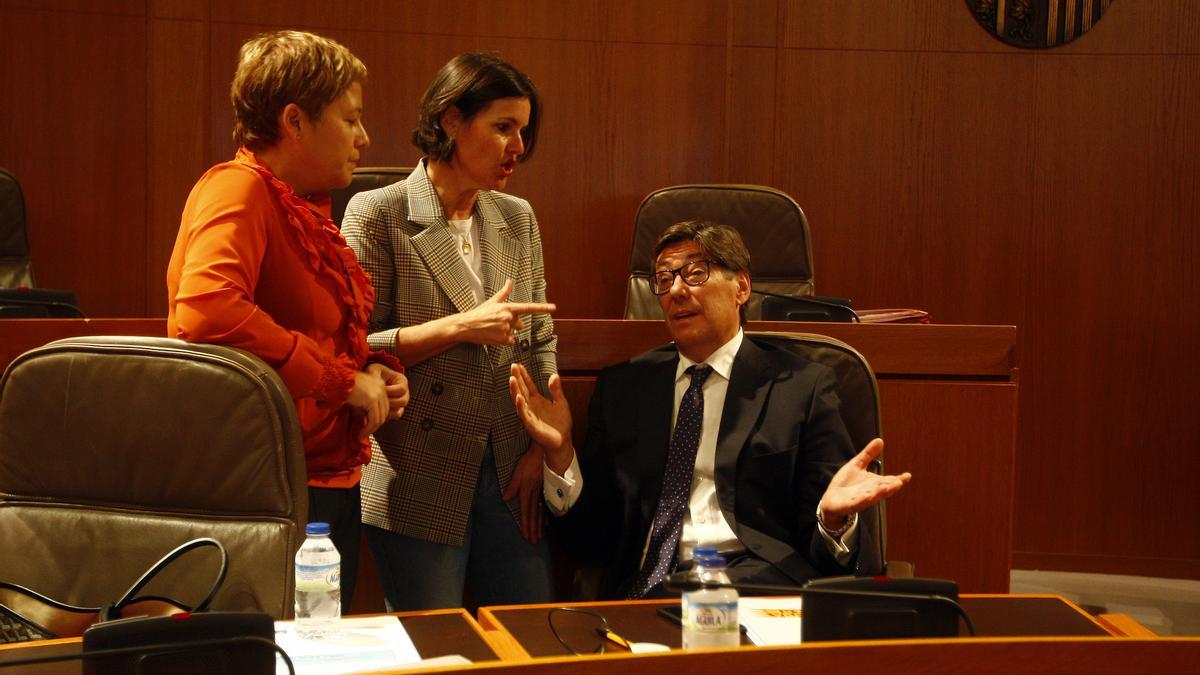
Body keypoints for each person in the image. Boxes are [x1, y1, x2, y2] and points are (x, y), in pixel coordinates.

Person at [510, 220, 912, 598]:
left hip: (758, 588)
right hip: (648, 590)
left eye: (696, 272)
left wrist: (832, 519)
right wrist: (560, 453)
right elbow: (590, 542)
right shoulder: (623, 388)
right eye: (665, 279)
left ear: (741, 287)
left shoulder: (801, 387)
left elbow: (823, 556)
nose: (677, 290)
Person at [166, 30, 408, 607]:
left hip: (316, 482)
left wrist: (371, 368)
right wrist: (340, 381)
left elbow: (301, 323)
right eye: (350, 120)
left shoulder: (296, 204)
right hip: (268, 490)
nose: (364, 138)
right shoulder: (239, 188)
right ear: (295, 122)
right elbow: (206, 312)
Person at [342, 52, 556, 610]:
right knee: (432, 650)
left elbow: (540, 343)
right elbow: (350, 348)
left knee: (533, 641)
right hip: (419, 470)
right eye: (503, 127)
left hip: (511, 471)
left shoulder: (518, 216)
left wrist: (541, 449)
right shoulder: (377, 213)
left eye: (523, 131)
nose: (518, 147)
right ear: (450, 120)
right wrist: (460, 326)